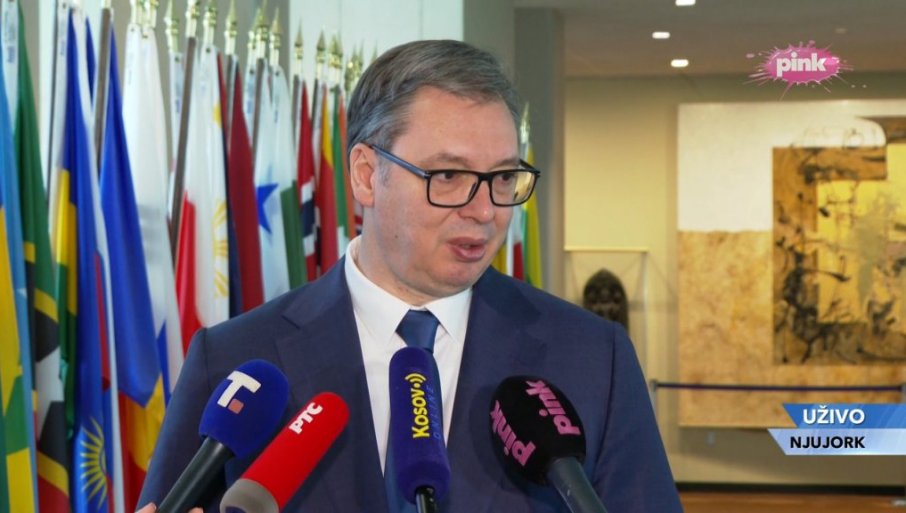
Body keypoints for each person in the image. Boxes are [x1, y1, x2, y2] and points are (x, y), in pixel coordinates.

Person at [138, 39, 682, 513]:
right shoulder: (232, 359)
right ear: (366, 175)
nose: (485, 210)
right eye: (448, 175)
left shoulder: (593, 359)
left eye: (503, 178)